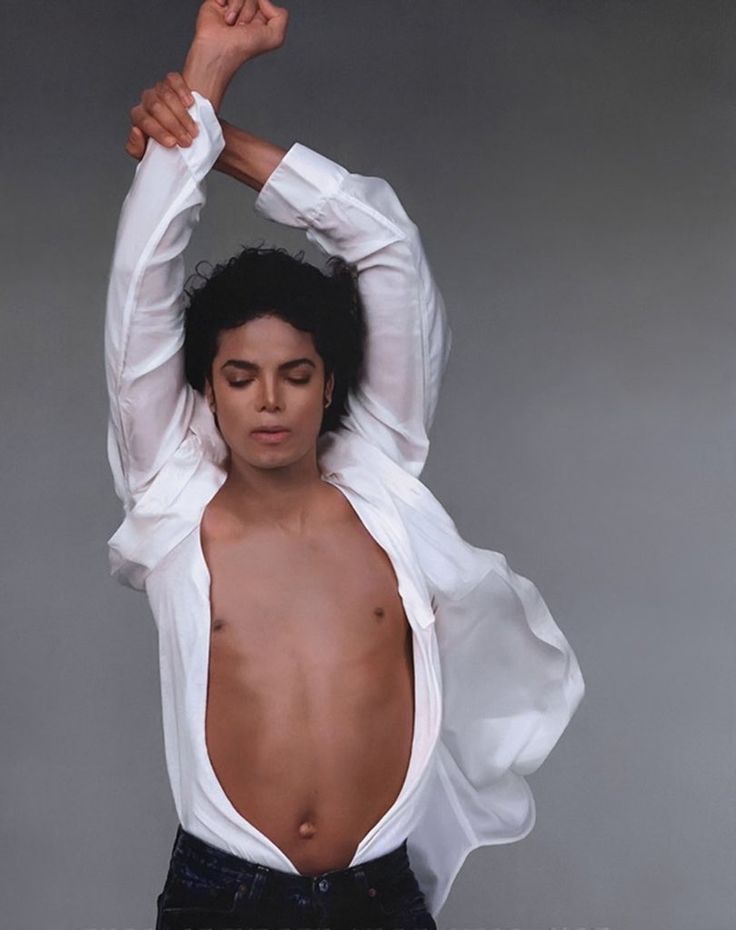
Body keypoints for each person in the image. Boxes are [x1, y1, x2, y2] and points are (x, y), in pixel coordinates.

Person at [106, 1, 586, 928]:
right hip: (222, 897)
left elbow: (385, 244)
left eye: (296, 375)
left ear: (330, 384)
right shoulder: (173, 501)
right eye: (240, 377)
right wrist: (201, 83)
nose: (270, 401)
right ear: (205, 391)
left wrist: (211, 138)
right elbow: (141, 289)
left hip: (379, 896)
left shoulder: (383, 481)